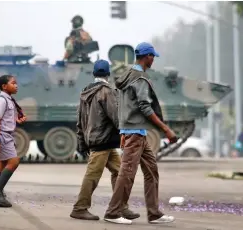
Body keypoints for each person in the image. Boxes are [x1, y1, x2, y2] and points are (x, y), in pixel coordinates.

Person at [103, 42, 178, 225]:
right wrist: (166, 129)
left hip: (136, 131)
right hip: (135, 132)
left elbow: (124, 103)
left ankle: (154, 214)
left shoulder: (127, 74)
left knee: (151, 172)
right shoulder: (140, 79)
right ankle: (113, 212)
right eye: (153, 57)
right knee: (127, 172)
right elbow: (145, 107)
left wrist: (123, 127)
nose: (154, 60)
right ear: (147, 57)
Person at [70, 59, 140, 221]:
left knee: (118, 171)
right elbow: (117, 117)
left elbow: (80, 120)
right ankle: (80, 208)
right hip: (103, 142)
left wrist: (82, 143)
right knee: (93, 175)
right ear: (108, 74)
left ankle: (121, 207)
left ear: (94, 74)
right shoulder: (107, 92)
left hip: (97, 141)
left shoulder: (85, 92)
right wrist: (129, 131)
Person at [0, 75, 27, 208]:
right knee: (14, 162)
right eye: (13, 83)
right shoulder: (2, 100)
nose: (16, 85)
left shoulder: (8, 100)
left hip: (5, 135)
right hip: (2, 136)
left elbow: (4, 118)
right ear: (4, 86)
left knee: (1, 164)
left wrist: (16, 121)